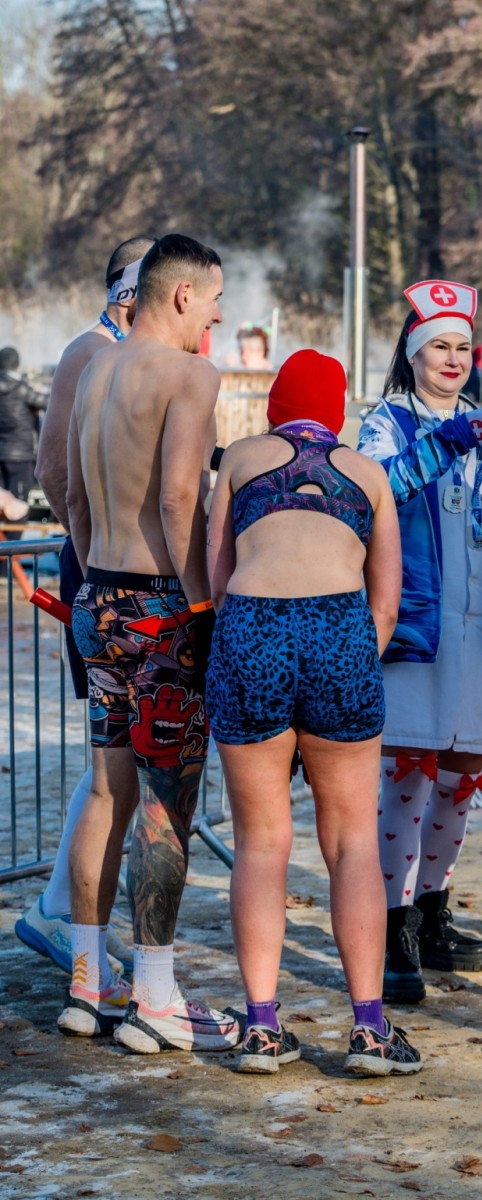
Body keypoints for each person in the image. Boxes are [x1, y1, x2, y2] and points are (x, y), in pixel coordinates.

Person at [205, 348, 421, 1076]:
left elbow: (217, 579)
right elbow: (386, 603)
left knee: (261, 841)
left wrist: (252, 640)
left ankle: (262, 1028)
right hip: (340, 632)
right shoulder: (368, 474)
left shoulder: (241, 459)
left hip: (252, 627)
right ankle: (369, 1028)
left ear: (276, 407)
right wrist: (350, 654)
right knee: (353, 841)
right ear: (336, 412)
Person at [59, 233, 242, 1055]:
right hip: (162, 609)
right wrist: (200, 604)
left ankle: (88, 982)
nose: (217, 316)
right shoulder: (189, 375)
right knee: (168, 803)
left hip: (96, 594)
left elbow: (68, 492)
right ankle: (156, 997)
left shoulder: (94, 367)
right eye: (215, 299)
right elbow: (176, 500)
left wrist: (98, 577)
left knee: (107, 792)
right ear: (181, 295)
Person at [357, 279, 482, 1004]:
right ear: (413, 354)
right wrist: (444, 445)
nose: (454, 359)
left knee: (463, 773)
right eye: (440, 346)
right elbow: (374, 494)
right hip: (414, 627)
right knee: (407, 773)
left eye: (464, 347)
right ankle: (389, 925)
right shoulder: (384, 423)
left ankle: (432, 911)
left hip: (480, 631)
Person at [16, 236, 155, 978]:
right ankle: (60, 911)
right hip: (101, 571)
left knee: (121, 757)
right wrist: (98, 549)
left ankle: (64, 906)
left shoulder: (134, 353)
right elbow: (51, 467)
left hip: (126, 573)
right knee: (113, 759)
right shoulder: (89, 351)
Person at [0, 346, 48, 504]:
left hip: (2, 453)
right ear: (17, 365)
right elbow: (49, 403)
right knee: (19, 506)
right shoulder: (21, 388)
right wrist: (40, 390)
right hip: (21, 456)